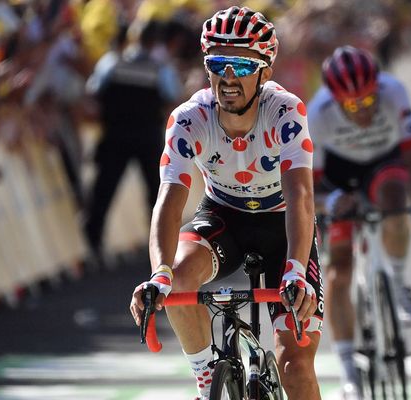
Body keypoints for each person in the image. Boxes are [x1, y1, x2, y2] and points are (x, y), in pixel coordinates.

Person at [130, 6, 324, 400]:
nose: (228, 76)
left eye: (240, 64)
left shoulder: (285, 111)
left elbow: (300, 195)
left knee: (295, 367)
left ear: (265, 72)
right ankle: (205, 379)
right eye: (218, 63)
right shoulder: (189, 118)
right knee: (180, 279)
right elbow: (168, 201)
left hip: (282, 226)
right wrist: (160, 273)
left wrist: (295, 271)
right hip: (223, 219)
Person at [307, 45, 411, 399]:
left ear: (378, 89)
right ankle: (349, 370)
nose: (364, 111)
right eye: (352, 106)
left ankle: (397, 285)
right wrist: (333, 202)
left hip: (384, 163)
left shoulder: (394, 92)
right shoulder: (317, 114)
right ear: (336, 100)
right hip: (338, 177)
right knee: (338, 271)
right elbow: (309, 188)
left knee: (397, 201)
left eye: (368, 101)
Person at [83, 19, 182, 265]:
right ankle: (161, 252)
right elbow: (173, 97)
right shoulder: (160, 68)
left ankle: (93, 245)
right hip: (147, 137)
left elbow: (93, 92)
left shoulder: (112, 63)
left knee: (103, 192)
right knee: (157, 195)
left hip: (115, 136)